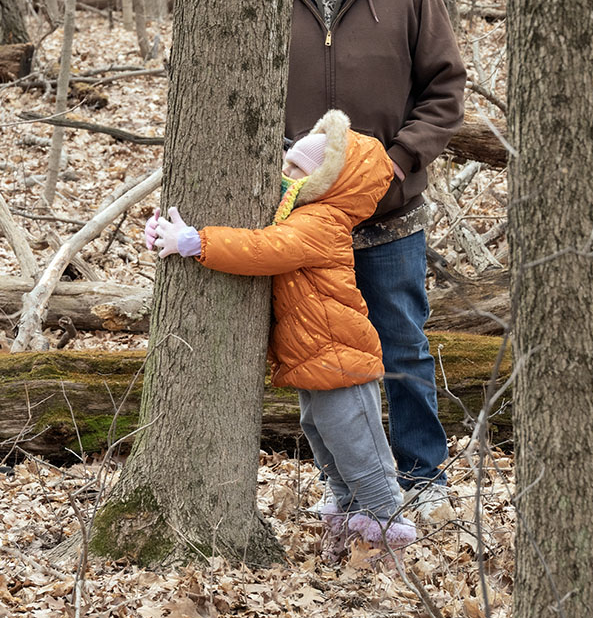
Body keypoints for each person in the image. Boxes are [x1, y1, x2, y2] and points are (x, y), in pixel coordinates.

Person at [145, 109, 416, 559]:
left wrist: (197, 242)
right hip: (314, 359)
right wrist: (166, 234)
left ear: (328, 182)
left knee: (359, 447)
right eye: (285, 164)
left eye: (297, 170)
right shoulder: (300, 212)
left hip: (340, 358)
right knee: (325, 439)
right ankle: (348, 524)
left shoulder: (321, 223)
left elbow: (266, 249)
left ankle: (388, 531)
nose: (283, 175)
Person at [287, 0, 467, 510]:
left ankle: (421, 478)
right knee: (317, 355)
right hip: (301, 218)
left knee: (401, 348)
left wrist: (396, 161)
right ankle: (345, 486)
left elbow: (444, 91)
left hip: (389, 215)